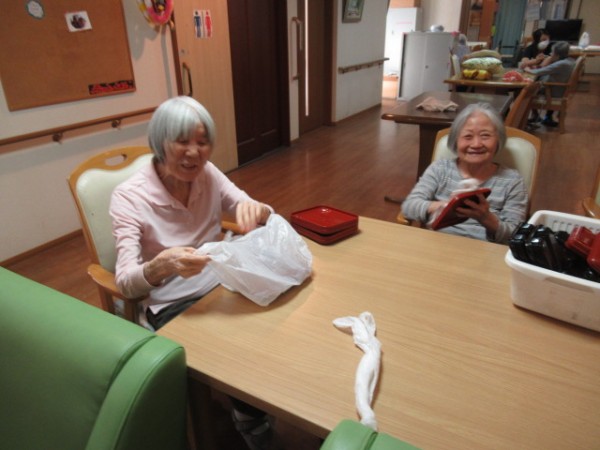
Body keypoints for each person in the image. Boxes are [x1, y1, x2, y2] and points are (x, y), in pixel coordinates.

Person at [110, 96, 274, 450]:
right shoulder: (128, 197)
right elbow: (125, 282)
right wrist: (162, 265)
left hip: (222, 280)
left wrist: (257, 210)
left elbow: (254, 208)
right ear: (160, 142)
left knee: (272, 325)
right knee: (234, 346)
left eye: (203, 142)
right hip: (172, 301)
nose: (194, 153)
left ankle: (253, 405)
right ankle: (248, 415)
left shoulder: (208, 174)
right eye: (182, 141)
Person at [401, 103, 528, 244]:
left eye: (485, 136)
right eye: (468, 136)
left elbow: (515, 234)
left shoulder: (512, 181)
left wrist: (486, 218)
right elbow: (409, 207)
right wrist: (446, 206)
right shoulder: (440, 169)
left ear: (498, 140)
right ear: (455, 140)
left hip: (485, 251)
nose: (476, 144)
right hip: (437, 245)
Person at [525, 40, 575, 127]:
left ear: (557, 55)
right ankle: (544, 117)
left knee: (525, 91)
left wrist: (526, 68)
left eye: (552, 52)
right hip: (559, 89)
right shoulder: (570, 61)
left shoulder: (561, 64)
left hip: (553, 91)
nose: (551, 54)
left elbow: (538, 72)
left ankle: (528, 119)